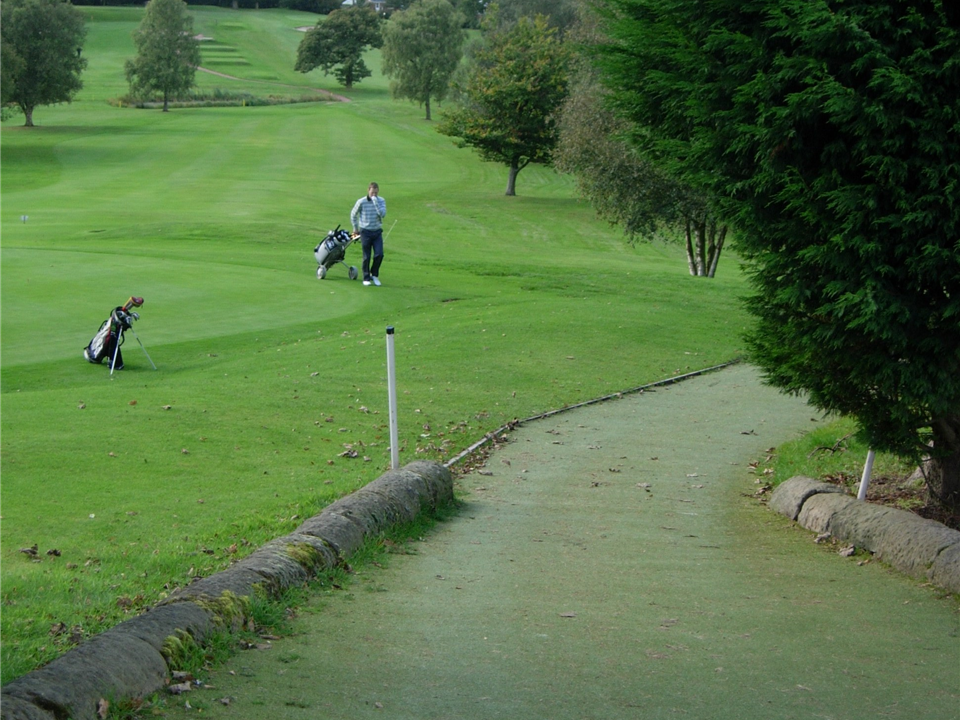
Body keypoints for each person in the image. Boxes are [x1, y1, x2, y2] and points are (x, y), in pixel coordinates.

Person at [350, 182, 387, 286]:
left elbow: (382, 214)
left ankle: (374, 275)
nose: (374, 195)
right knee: (366, 256)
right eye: (372, 193)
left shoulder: (381, 201)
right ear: (368, 191)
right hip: (365, 231)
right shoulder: (361, 201)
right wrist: (355, 228)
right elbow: (353, 214)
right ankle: (366, 277)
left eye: (376, 193)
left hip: (377, 231)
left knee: (379, 254)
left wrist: (376, 203)